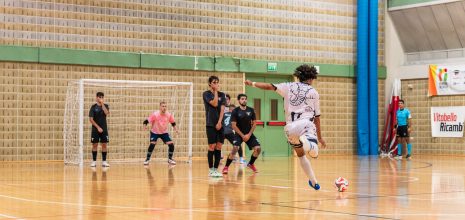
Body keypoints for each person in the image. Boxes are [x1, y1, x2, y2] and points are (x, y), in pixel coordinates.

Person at [244, 64, 326, 190]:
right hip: (306, 125)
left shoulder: (288, 86)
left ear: (299, 77)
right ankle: (308, 142)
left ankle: (314, 181)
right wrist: (319, 137)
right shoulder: (313, 92)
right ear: (311, 79)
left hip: (290, 128)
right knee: (314, 153)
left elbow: (269, 86)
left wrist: (252, 83)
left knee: (301, 155)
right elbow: (317, 118)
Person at [223, 94, 260, 174]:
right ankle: (226, 167)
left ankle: (251, 164)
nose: (244, 100)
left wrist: (249, 135)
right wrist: (243, 136)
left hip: (249, 134)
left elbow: (254, 123)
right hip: (239, 135)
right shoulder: (235, 111)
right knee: (235, 148)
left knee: (258, 149)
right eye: (242, 99)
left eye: (245, 99)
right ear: (239, 100)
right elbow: (233, 125)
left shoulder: (251, 110)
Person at [203, 76, 226, 177]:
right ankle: (211, 169)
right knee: (212, 146)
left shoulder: (223, 95)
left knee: (219, 146)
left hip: (220, 124)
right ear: (210, 84)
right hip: (210, 124)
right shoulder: (206, 94)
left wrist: (220, 122)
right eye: (214, 82)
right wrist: (216, 91)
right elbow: (215, 103)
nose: (216, 83)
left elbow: (222, 109)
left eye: (217, 82)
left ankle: (216, 169)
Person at [223, 94, 246, 164]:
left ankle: (221, 157)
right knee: (237, 144)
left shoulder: (224, 114)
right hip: (229, 132)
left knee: (218, 145)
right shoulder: (235, 115)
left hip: (223, 131)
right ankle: (241, 158)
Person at [89, 92, 110, 167]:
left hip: (104, 129)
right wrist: (98, 127)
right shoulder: (93, 107)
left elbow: (107, 113)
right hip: (95, 129)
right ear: (96, 97)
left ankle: (104, 161)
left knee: (104, 144)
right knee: (95, 144)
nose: (101, 98)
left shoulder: (106, 106)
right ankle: (94, 161)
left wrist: (102, 104)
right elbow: (91, 119)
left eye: (102, 97)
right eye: (99, 97)